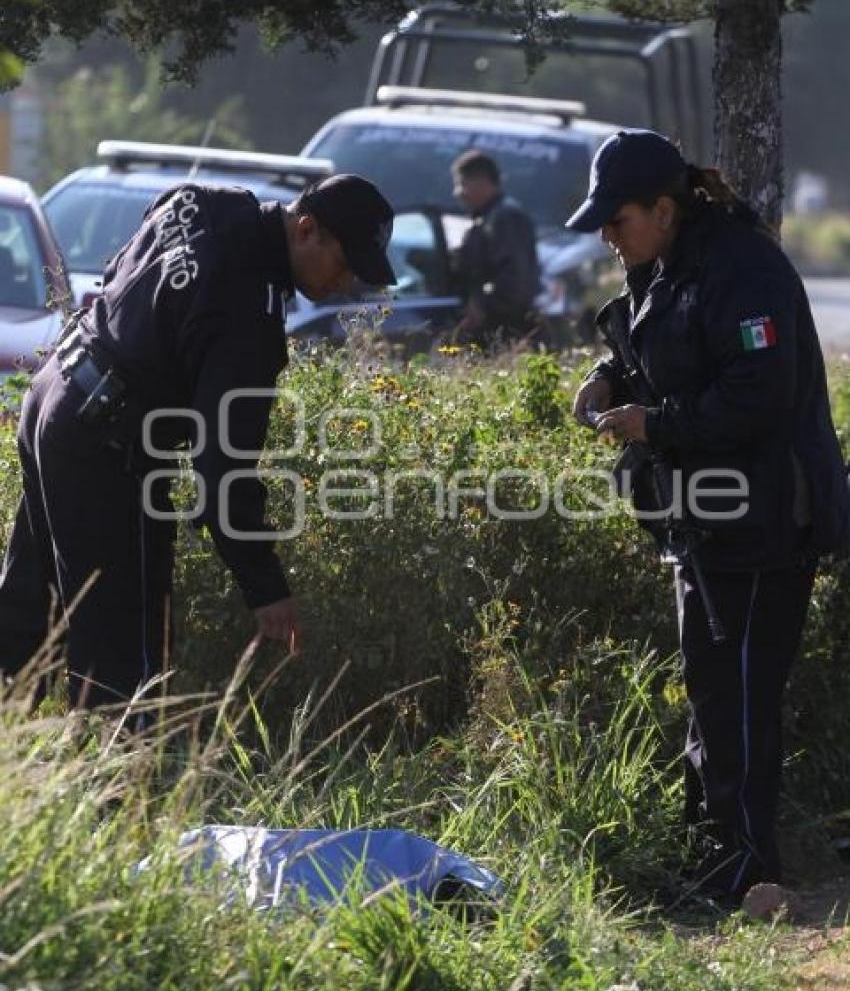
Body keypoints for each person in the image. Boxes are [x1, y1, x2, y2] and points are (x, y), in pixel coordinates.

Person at [568, 129, 850, 904]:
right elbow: (649, 343)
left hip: (766, 523)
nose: (607, 235)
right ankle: (711, 850)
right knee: (709, 690)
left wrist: (654, 425)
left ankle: (754, 867)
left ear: (663, 208)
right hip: (701, 523)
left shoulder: (744, 268)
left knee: (748, 700)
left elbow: (757, 393)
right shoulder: (659, 263)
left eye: (616, 219)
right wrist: (603, 376)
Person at [0, 174, 395, 715]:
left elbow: (122, 275)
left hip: (54, 397)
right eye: (347, 264)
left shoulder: (203, 201)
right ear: (308, 230)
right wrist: (265, 585)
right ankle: (123, 795)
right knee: (127, 667)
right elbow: (222, 469)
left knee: (23, 622)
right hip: (105, 447)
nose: (348, 283)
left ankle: (18, 778)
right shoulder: (248, 319)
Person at [450, 150, 542, 344]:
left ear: (482, 182)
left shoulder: (505, 218)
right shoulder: (489, 217)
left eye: (462, 184)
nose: (458, 193)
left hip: (505, 329)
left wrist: (482, 309)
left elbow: (514, 279)